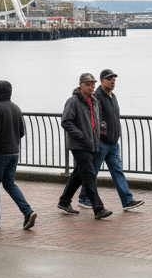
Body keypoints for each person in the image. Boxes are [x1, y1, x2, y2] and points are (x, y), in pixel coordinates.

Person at [79, 70, 145, 211]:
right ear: (102, 81)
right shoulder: (96, 97)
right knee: (93, 172)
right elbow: (93, 119)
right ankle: (84, 198)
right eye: (109, 79)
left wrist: (117, 133)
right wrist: (99, 136)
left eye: (114, 79)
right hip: (101, 142)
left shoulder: (112, 97)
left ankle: (127, 201)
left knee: (117, 171)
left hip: (113, 143)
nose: (113, 81)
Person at [0, 80, 36, 230]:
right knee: (9, 183)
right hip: (14, 152)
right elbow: (22, 132)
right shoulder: (16, 108)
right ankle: (27, 211)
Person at [57, 73, 113, 220]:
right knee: (89, 177)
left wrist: (102, 129)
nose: (91, 87)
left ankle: (64, 201)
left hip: (91, 144)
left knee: (79, 175)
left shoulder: (95, 102)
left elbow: (98, 119)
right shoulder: (73, 101)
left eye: (93, 85)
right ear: (81, 85)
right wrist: (80, 135)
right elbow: (66, 121)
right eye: (88, 85)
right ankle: (99, 209)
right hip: (79, 145)